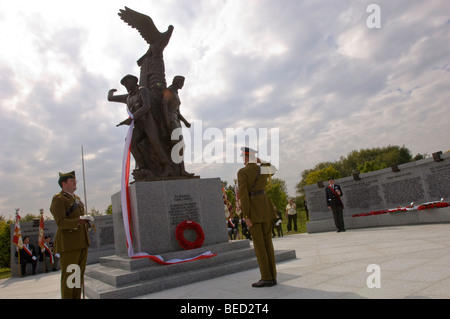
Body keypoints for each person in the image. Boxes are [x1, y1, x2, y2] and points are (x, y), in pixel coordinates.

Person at [108, 74, 172, 177]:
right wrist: (111, 91)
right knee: (129, 141)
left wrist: (132, 117)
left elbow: (147, 106)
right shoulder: (128, 97)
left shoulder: (143, 91)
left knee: (155, 143)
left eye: (127, 83)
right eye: (124, 84)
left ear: (134, 82)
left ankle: (167, 167)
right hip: (138, 125)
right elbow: (110, 98)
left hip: (148, 123)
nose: (126, 85)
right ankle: (142, 166)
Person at [237, 147, 277, 288]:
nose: (242, 158)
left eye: (243, 156)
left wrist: (246, 215)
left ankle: (266, 278)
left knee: (260, 247)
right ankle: (273, 276)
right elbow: (274, 169)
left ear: (247, 157)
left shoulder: (243, 172)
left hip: (253, 212)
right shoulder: (262, 169)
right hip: (266, 208)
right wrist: (262, 162)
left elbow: (244, 196)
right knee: (268, 244)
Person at [50, 171, 90, 299]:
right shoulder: (59, 199)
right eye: (72, 181)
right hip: (69, 244)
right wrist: (78, 221)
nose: (75, 183)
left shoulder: (76, 199)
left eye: (75, 181)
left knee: (78, 277)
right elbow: (61, 222)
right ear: (64, 183)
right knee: (70, 278)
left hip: (81, 242)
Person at [162, 75, 194, 177]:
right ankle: (180, 170)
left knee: (179, 145)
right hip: (171, 119)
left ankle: (179, 169)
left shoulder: (176, 93)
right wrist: (167, 121)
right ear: (177, 81)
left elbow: (178, 112)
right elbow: (163, 104)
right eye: (182, 82)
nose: (183, 84)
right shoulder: (169, 90)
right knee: (179, 144)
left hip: (176, 120)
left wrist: (185, 122)